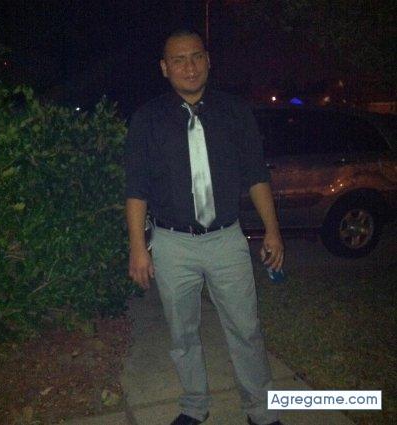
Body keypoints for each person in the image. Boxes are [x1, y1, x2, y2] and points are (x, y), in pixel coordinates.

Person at [125, 29, 284, 425]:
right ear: (165, 68)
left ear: (208, 61)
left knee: (246, 329)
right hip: (172, 243)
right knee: (182, 334)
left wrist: (273, 229)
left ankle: (260, 410)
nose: (189, 66)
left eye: (196, 56)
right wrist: (138, 248)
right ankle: (194, 405)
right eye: (178, 60)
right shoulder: (147, 120)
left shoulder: (235, 112)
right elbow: (136, 189)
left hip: (226, 239)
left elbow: (256, 175)